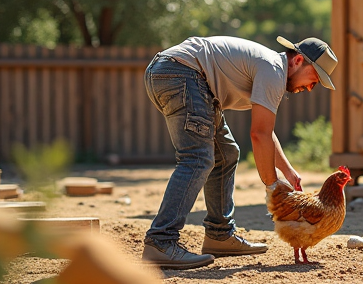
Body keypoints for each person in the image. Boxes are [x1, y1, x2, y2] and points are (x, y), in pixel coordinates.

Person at [141, 35, 337, 269]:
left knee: (225, 155)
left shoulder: (272, 69)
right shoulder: (273, 70)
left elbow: (266, 132)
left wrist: (288, 171)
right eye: (314, 78)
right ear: (298, 61)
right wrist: (273, 187)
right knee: (198, 158)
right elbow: (259, 135)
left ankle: (219, 235)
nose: (310, 88)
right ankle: (161, 241)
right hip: (182, 73)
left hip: (179, 75)